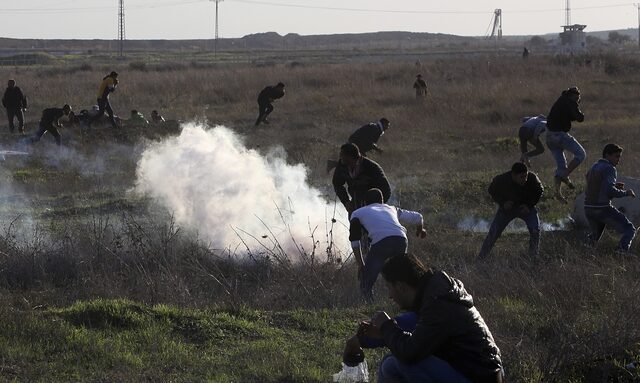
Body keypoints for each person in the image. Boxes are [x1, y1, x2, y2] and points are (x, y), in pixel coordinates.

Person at [354, 254, 503, 383]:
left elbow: (410, 353)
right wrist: (384, 334)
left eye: (389, 287)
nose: (390, 295)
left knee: (393, 364)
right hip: (479, 373)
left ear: (400, 286)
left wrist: (386, 326)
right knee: (391, 362)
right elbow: (422, 342)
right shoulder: (435, 295)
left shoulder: (438, 303)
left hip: (478, 378)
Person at [349, 188, 426, 301]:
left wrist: (361, 265)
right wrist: (421, 230)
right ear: (382, 201)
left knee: (366, 282)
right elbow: (418, 217)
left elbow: (355, 241)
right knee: (398, 276)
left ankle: (368, 305)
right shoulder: (391, 208)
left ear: (364, 203)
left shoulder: (357, 213)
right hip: (400, 240)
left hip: (381, 243)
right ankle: (407, 300)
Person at [477, 162, 543, 260]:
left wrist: (529, 206)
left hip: (526, 209)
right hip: (507, 210)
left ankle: (533, 257)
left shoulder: (532, 178)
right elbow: (491, 190)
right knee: (493, 233)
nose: (525, 179)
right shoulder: (502, 179)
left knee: (535, 231)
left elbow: (540, 190)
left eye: (526, 176)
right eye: (521, 177)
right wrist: (503, 203)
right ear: (513, 175)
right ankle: (481, 258)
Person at [584, 144, 636, 252]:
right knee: (629, 229)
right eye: (616, 156)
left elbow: (594, 185)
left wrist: (614, 186)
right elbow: (610, 191)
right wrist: (626, 193)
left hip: (588, 208)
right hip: (602, 208)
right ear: (607, 155)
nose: (618, 160)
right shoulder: (610, 168)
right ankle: (620, 252)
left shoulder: (594, 166)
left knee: (594, 236)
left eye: (619, 157)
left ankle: (585, 253)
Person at [546, 86, 586, 202]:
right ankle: (564, 175)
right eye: (576, 98)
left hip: (549, 136)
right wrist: (576, 105)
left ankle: (558, 194)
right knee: (581, 154)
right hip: (559, 135)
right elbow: (580, 118)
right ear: (573, 96)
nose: (577, 100)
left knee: (561, 165)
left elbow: (569, 116)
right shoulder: (570, 102)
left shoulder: (561, 99)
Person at [332, 143, 391, 216]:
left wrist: (377, 207)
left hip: (372, 208)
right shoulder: (342, 166)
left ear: (350, 157)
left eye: (342, 155)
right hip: (355, 206)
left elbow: (386, 190)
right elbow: (337, 183)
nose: (340, 157)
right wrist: (346, 202)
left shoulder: (371, 167)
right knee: (355, 226)